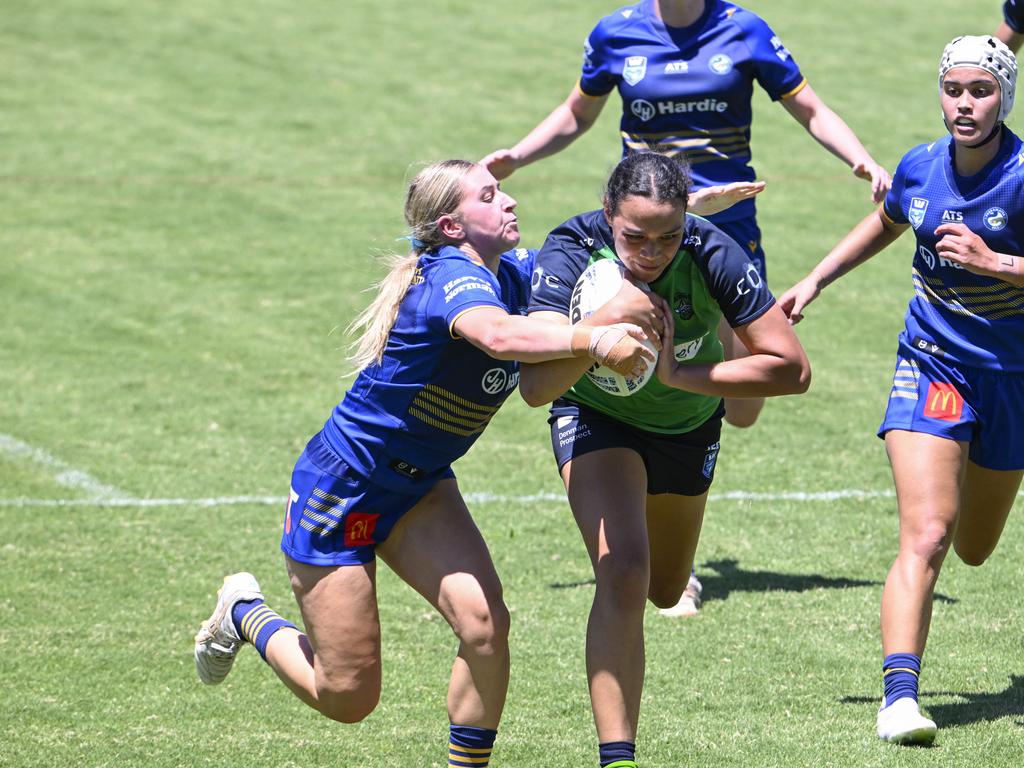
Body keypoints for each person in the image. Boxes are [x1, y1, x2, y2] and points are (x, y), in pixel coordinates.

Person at [192, 160, 657, 768]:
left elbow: (590, 252)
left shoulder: (513, 274)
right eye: (490, 195)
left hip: (421, 491)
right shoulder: (449, 279)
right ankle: (245, 612)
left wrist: (677, 210)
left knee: (485, 629)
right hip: (344, 492)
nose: (510, 200)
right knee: (347, 697)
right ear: (453, 226)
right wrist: (592, 339)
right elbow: (500, 338)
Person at [519, 151, 810, 768]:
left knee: (665, 587)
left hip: (686, 425)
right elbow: (536, 386)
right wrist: (605, 323)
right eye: (635, 236)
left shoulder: (711, 249)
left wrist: (680, 373)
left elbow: (793, 369)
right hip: (596, 415)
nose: (651, 252)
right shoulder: (572, 247)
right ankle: (617, 758)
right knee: (623, 572)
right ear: (607, 216)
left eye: (668, 236)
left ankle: (721, 328)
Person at [483, 0, 889, 434]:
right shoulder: (616, 33)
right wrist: (517, 155)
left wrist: (859, 158)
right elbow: (576, 113)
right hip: (644, 235)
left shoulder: (744, 29)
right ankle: (627, 452)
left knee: (742, 411)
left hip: (729, 228)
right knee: (633, 356)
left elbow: (811, 108)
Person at [780, 36, 1023, 746]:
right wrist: (815, 280)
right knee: (929, 531)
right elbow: (890, 220)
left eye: (981, 90)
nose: (965, 104)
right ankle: (900, 699)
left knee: (977, 547)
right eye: (954, 90)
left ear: (1004, 95)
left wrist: (997, 262)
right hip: (934, 364)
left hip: (1011, 379)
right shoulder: (920, 167)